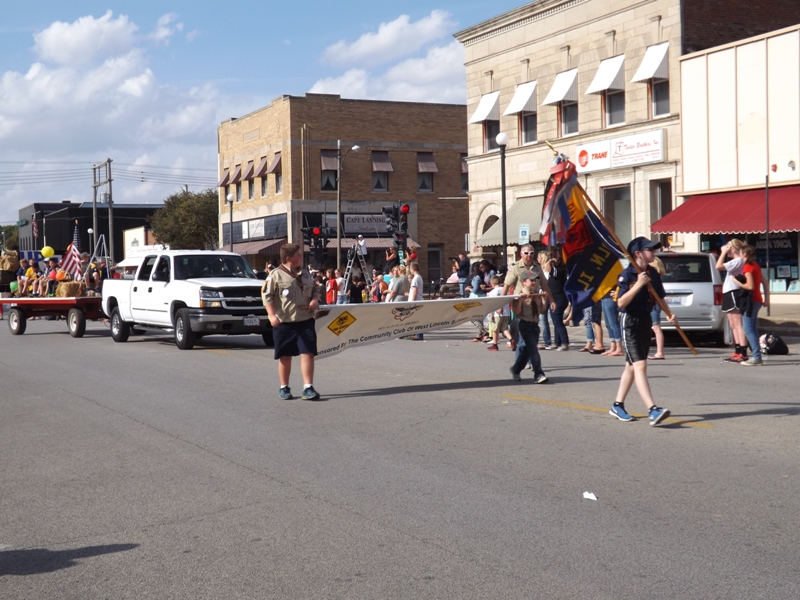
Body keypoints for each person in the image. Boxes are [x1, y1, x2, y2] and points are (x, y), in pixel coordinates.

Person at [609, 237, 676, 426]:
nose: (654, 252)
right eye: (650, 250)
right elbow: (621, 303)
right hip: (630, 321)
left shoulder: (653, 273)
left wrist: (670, 314)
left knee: (631, 366)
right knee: (640, 365)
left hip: (645, 320)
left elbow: (660, 297)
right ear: (638, 253)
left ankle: (617, 405)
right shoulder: (626, 275)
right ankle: (652, 409)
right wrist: (638, 284)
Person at [262, 242, 323, 401]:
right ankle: (284, 387)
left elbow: (316, 288)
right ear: (289, 258)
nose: (301, 257)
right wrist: (271, 316)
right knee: (285, 356)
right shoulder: (275, 275)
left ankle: (308, 387)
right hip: (284, 322)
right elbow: (267, 296)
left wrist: (315, 299)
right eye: (298, 255)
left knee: (308, 353)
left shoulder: (305, 274)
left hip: (305, 319)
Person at [508, 269, 553, 384]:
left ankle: (516, 369)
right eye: (531, 280)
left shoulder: (536, 294)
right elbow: (517, 313)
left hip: (534, 326)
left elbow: (542, 311)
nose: (534, 282)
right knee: (534, 351)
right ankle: (538, 374)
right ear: (523, 282)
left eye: (535, 280)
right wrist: (521, 301)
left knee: (526, 351)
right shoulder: (519, 295)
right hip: (525, 325)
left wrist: (544, 300)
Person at [716, 239, 749, 362]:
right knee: (733, 324)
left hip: (735, 292)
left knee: (738, 324)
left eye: (729, 247)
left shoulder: (737, 260)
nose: (726, 248)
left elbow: (718, 266)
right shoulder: (734, 261)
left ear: (733, 249)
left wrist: (723, 252)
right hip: (729, 292)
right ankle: (737, 350)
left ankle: (743, 352)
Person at [735, 245, 766, 366]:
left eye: (740, 253)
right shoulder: (756, 265)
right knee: (752, 328)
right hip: (757, 299)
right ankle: (757, 355)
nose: (739, 254)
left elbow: (750, 286)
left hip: (750, 301)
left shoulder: (747, 267)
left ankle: (756, 357)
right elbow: (765, 282)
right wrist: (767, 299)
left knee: (748, 329)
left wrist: (736, 281)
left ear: (745, 254)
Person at [548, 254, 570, 351]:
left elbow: (547, 267)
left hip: (559, 299)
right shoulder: (559, 272)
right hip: (557, 298)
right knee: (556, 321)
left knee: (557, 322)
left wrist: (550, 261)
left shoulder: (558, 272)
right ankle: (557, 342)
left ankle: (565, 343)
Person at [486, 275, 514, 351]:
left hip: (497, 313)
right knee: (504, 328)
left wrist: (491, 314)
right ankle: (511, 340)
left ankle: (495, 344)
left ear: (492, 284)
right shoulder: (506, 290)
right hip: (506, 312)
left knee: (495, 329)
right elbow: (510, 300)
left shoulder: (493, 292)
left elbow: (491, 304)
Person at [648, 256, 667, 360]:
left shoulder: (654, 277)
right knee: (653, 327)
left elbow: (659, 295)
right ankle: (658, 351)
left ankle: (660, 352)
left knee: (656, 327)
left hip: (654, 304)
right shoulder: (654, 276)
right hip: (653, 303)